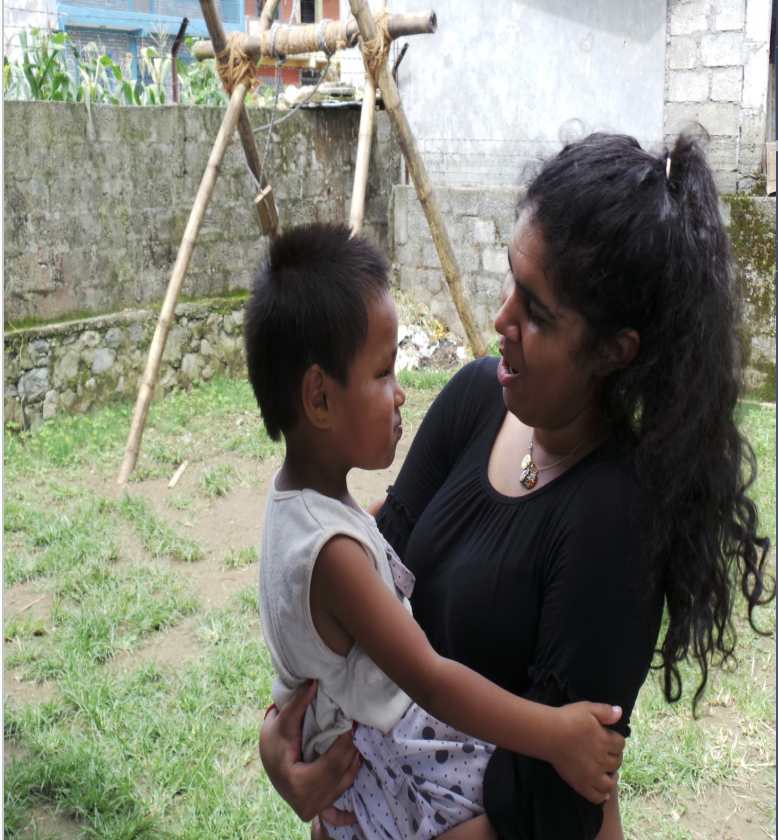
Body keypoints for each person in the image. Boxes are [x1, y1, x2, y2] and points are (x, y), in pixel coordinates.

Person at [258, 131, 773, 840]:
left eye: (536, 313)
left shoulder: (616, 519)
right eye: (510, 279)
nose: (501, 319)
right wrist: (282, 745)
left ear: (612, 351)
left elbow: (551, 803)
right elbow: (354, 603)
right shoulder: (474, 399)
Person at [243, 221, 626, 840]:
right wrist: (557, 733)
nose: (400, 395)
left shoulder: (299, 508)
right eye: (383, 374)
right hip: (399, 768)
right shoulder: (334, 552)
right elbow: (431, 678)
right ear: (319, 399)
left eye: (536, 310)